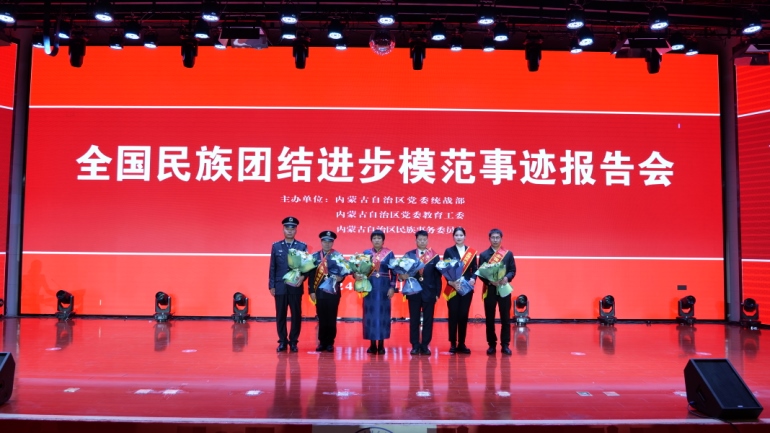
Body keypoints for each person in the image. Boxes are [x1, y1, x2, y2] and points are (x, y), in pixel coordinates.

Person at [268, 216, 307, 353]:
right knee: (281, 315)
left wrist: (303, 277)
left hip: (295, 286)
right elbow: (272, 267)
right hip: (280, 286)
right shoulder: (276, 246)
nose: (290, 231)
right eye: (287, 228)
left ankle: (294, 341)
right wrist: (271, 285)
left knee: (296, 315)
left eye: (292, 228)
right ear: (283, 229)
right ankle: (282, 341)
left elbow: (306, 266)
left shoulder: (301, 246)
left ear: (296, 230)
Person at [356, 229, 397, 355]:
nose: (377, 240)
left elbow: (394, 272)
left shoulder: (389, 253)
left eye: (379, 238)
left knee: (383, 315)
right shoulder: (366, 253)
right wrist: (357, 276)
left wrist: (392, 287)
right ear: (371, 240)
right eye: (374, 238)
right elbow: (360, 270)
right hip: (370, 286)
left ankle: (382, 344)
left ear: (383, 240)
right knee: (370, 315)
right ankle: (372, 344)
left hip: (384, 287)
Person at [477, 228, 517, 355]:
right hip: (490, 289)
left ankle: (505, 344)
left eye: (497, 237)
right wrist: (489, 281)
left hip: (504, 289)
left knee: (505, 318)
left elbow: (512, 270)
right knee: (489, 318)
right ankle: (491, 344)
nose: (495, 240)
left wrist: (507, 278)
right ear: (489, 239)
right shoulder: (484, 255)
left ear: (501, 239)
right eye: (493, 237)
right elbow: (480, 273)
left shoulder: (508, 254)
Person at [402, 230, 441, 356]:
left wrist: (437, 293)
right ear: (416, 241)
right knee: (414, 320)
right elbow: (403, 273)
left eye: (424, 239)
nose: (422, 242)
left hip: (429, 292)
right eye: (420, 239)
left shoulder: (434, 256)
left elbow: (437, 277)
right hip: (413, 292)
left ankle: (425, 345)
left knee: (428, 320)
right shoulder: (409, 255)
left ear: (427, 240)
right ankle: (415, 345)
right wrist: (402, 276)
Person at [305, 230, 343, 352]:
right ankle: (322, 342)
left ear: (333, 243)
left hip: (333, 292)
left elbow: (344, 271)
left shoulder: (338, 256)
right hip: (319, 292)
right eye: (325, 241)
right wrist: (311, 291)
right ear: (321, 242)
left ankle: (330, 342)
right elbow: (311, 275)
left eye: (330, 242)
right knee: (321, 317)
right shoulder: (315, 256)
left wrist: (341, 278)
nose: (327, 244)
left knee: (331, 317)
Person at [442, 227, 477, 354]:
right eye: (456, 235)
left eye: (461, 235)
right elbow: (444, 268)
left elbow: (475, 269)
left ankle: (462, 343)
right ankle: (453, 343)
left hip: (466, 288)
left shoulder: (471, 252)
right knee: (453, 315)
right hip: (453, 287)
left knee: (463, 315)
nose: (459, 237)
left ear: (465, 237)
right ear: (453, 237)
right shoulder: (449, 251)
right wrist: (450, 282)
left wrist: (473, 278)